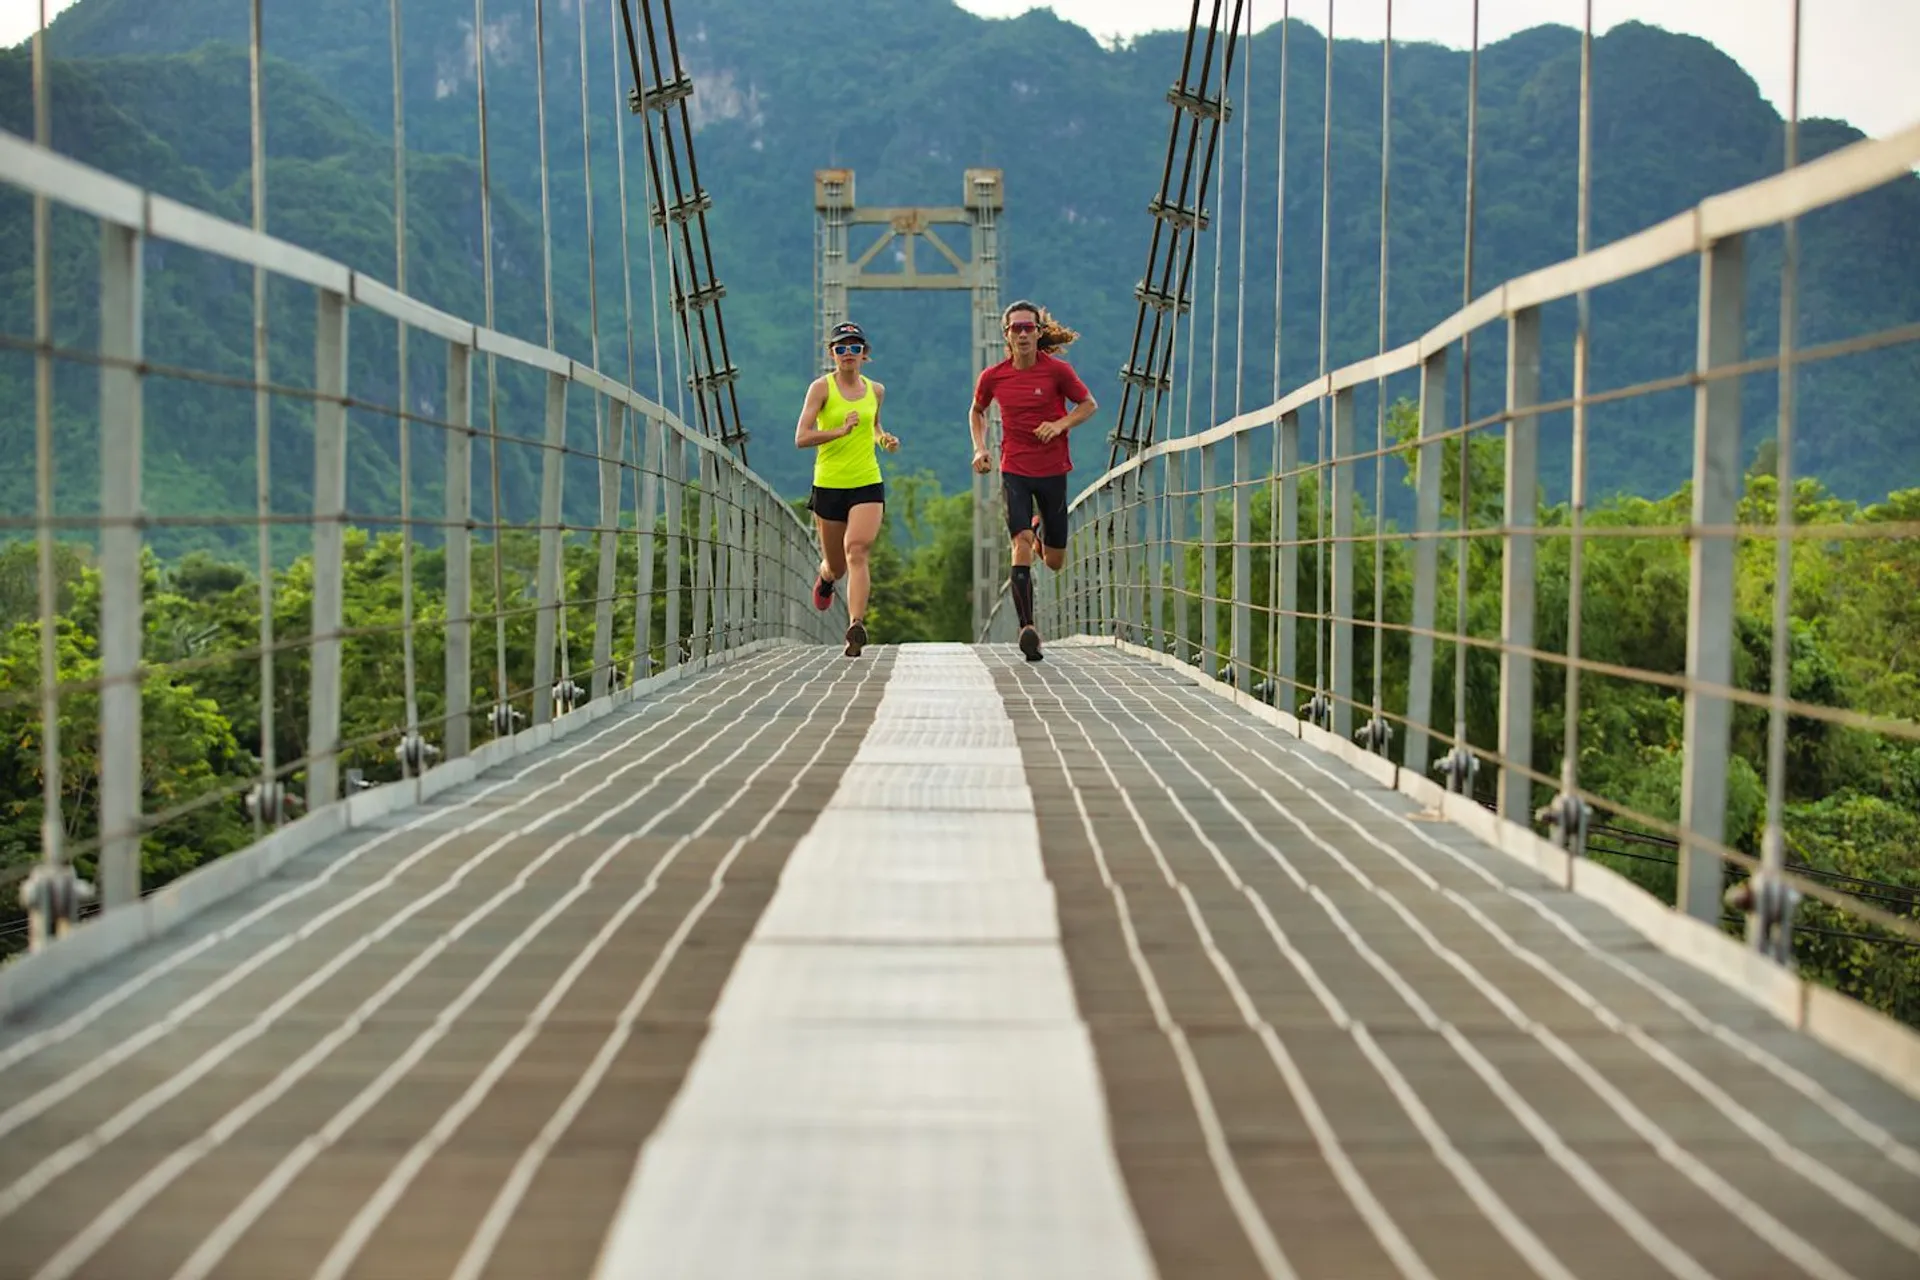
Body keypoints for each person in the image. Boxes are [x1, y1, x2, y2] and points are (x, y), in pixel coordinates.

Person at [969, 299, 1098, 661]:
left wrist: (1059, 425)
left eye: (1029, 328)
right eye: (1016, 328)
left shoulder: (1057, 372)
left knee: (1054, 560)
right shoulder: (993, 376)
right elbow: (977, 410)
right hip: (1015, 470)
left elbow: (1088, 405)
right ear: (1006, 335)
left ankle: (1041, 532)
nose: (1023, 334)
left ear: (1039, 333)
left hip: (1054, 470)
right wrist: (980, 449)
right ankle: (1028, 629)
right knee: (1020, 541)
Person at [795, 320, 898, 657]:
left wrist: (884, 439)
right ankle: (825, 578)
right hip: (829, 485)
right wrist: (839, 431)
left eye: (855, 347)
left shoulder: (876, 391)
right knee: (837, 565)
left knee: (857, 550)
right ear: (832, 354)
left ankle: (855, 626)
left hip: (867, 481)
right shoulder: (821, 389)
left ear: (864, 354)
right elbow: (802, 437)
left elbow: (874, 425)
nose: (848, 353)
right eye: (841, 348)